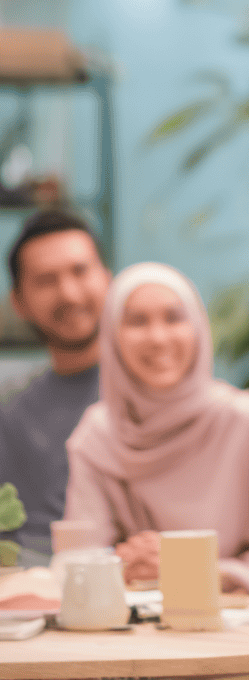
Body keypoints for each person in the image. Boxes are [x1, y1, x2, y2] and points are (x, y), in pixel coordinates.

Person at [64, 262, 249, 595]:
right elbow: (81, 559)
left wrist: (203, 573)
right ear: (112, 337)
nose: (158, 337)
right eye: (137, 321)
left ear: (198, 328)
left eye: (174, 318)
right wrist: (125, 563)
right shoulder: (97, 437)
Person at [0, 209, 110, 564]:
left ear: (107, 277)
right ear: (19, 301)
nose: (69, 293)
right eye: (47, 280)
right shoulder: (9, 411)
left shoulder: (158, 398)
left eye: (80, 271)